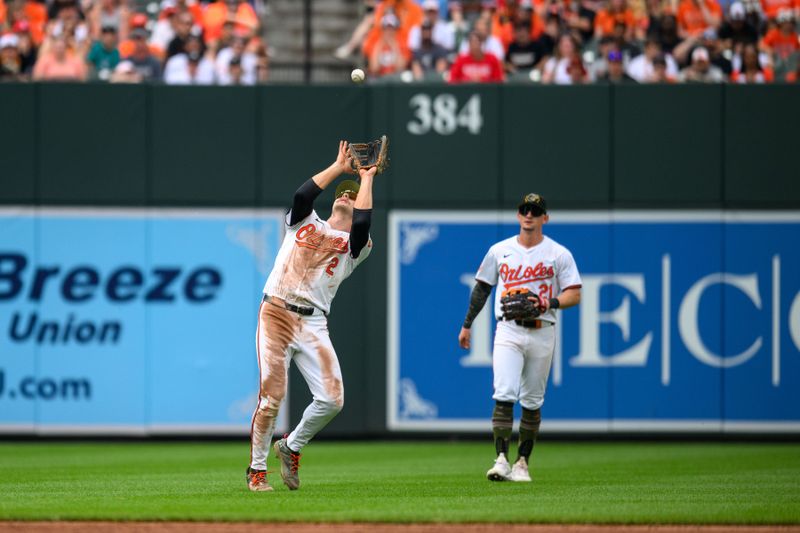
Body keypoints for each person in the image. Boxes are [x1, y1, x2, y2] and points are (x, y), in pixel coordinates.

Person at [246, 141, 378, 492]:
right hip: (275, 311)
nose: (345, 197)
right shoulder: (305, 222)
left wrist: (367, 177)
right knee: (271, 397)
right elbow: (303, 196)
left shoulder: (356, 247)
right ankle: (257, 472)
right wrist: (338, 167)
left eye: (352, 195)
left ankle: (291, 446)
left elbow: (363, 223)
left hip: (313, 322)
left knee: (333, 399)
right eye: (342, 193)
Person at [458, 193, 582, 483]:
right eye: (525, 210)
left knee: (532, 400)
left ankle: (522, 463)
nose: (529, 215)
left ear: (545, 218)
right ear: (518, 215)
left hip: (543, 329)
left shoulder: (558, 253)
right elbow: (482, 288)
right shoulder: (500, 250)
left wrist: (549, 303)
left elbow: (574, 293)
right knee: (503, 392)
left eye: (535, 211)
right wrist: (467, 324)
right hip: (508, 329)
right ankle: (501, 459)